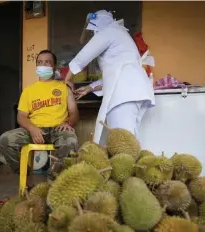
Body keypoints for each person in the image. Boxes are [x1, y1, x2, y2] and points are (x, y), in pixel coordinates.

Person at [64, 10, 155, 146]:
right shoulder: (120, 34)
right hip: (134, 91)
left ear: (98, 25)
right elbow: (116, 73)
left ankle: (128, 166)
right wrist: (90, 87)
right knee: (130, 139)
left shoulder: (109, 31)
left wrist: (68, 78)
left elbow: (84, 55)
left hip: (125, 94)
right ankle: (136, 166)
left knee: (122, 141)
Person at [0, 50, 79, 182]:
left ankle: (54, 177)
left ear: (54, 66)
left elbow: (74, 112)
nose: (43, 65)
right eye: (40, 62)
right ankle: (23, 173)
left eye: (47, 62)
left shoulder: (64, 87)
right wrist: (32, 128)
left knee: (71, 142)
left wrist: (68, 123)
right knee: (5, 141)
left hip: (58, 129)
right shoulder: (29, 91)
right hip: (34, 129)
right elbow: (21, 116)